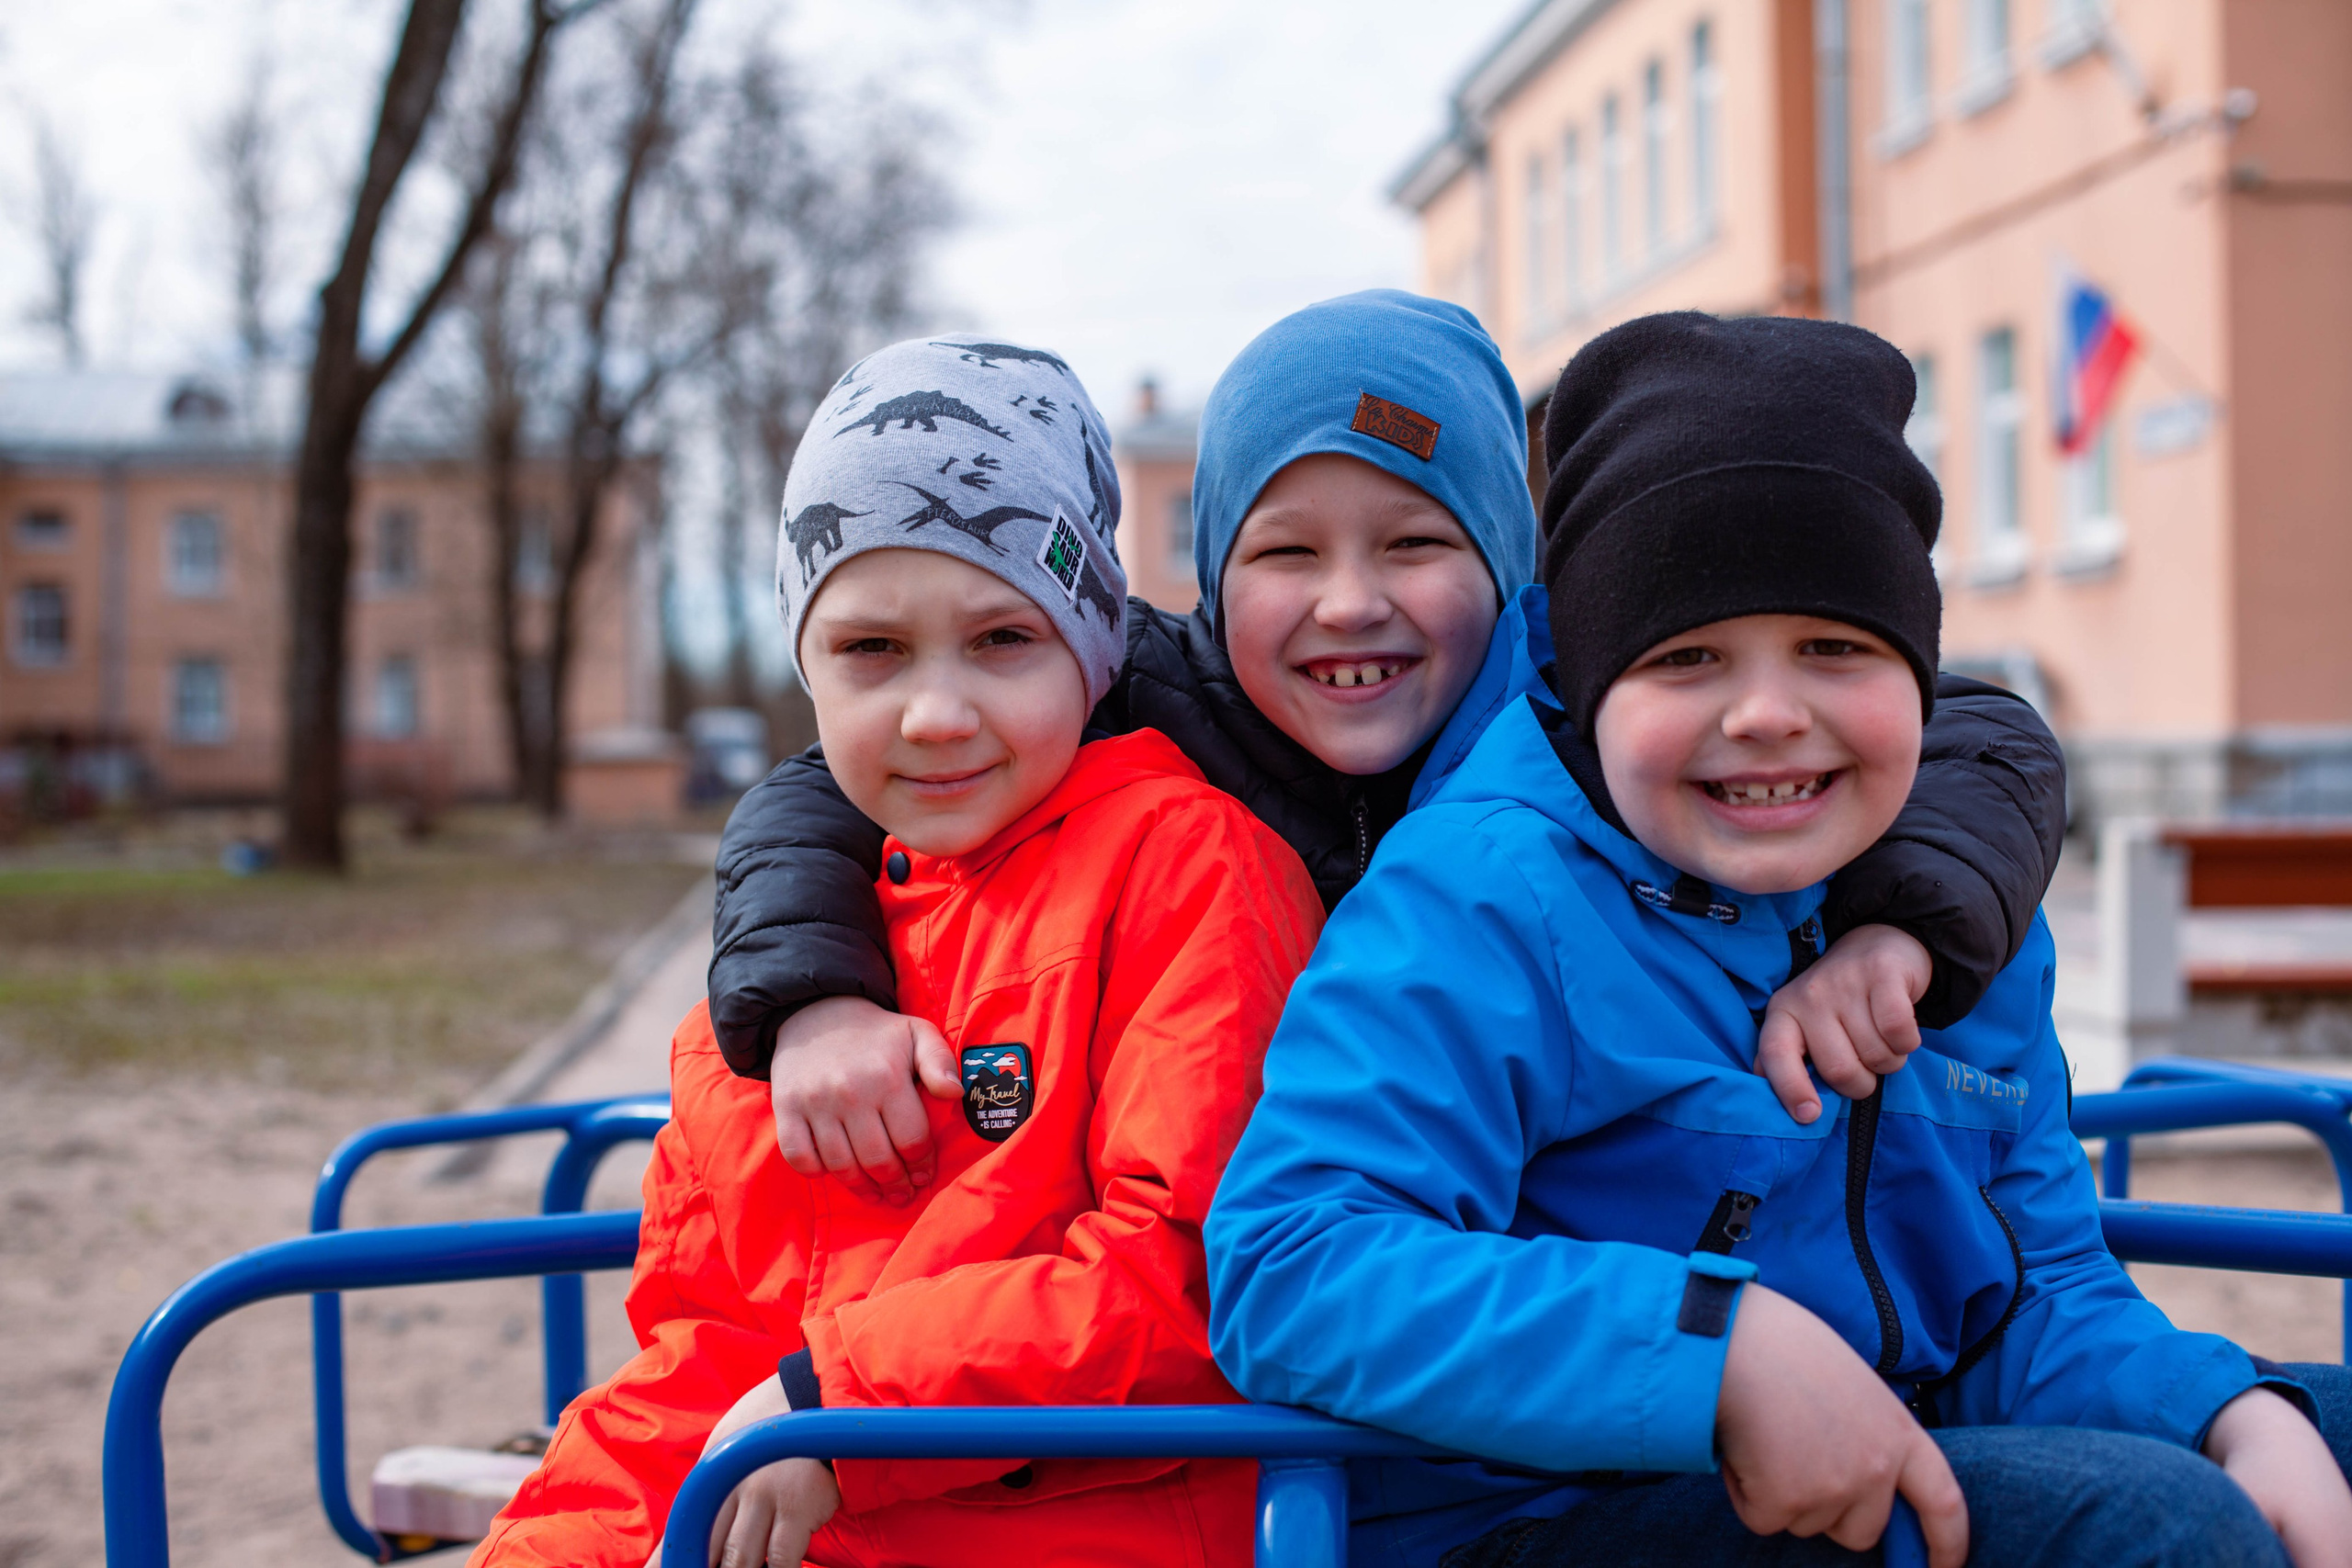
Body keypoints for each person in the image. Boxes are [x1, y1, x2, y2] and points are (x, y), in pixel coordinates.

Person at [1203, 312, 2352, 1568]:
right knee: (2154, 1526)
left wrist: (2223, 1411)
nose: (1764, 714)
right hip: (1533, 1508)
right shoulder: (1491, 896)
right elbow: (1293, 1261)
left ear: (1921, 669)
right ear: (1588, 686)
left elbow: (2031, 1292)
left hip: (1877, 1441)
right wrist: (1713, 1346)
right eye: (1687, 657)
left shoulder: (1952, 920)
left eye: (1833, 647)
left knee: (2303, 1430)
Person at [707, 290, 2068, 1207]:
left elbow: (1980, 735)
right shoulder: (1147, 698)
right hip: (1253, 1244)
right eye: (1286, 552)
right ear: (1207, 578)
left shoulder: (1585, 708)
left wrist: (1906, 930)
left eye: (1417, 544)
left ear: (1515, 567)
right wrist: (814, 994)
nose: (1349, 602)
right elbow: (821, 791)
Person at [470, 337, 1325, 1568]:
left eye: (1001, 641)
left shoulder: (1185, 874)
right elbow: (698, 1360)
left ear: (1090, 651)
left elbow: (1184, 1286)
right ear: (807, 668)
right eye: (872, 651)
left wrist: (845, 1411)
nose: (935, 712)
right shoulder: (763, 1000)